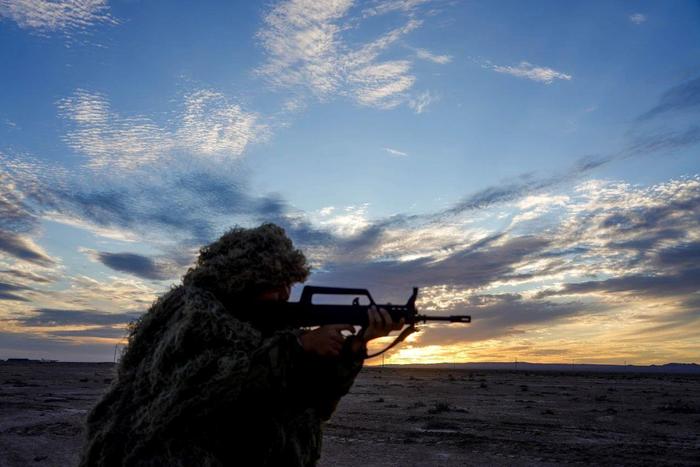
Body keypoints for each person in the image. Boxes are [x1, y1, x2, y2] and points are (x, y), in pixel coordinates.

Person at [79, 223, 400, 466]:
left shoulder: (267, 330)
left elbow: (311, 404)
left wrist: (353, 350)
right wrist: (300, 347)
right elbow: (207, 389)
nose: (284, 295)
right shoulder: (192, 313)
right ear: (242, 279)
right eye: (275, 284)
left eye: (288, 283)